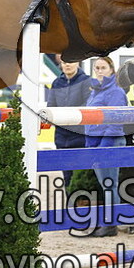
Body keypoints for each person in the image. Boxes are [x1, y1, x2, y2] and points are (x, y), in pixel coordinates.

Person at [82, 56, 127, 238]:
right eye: (97, 68)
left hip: (109, 143)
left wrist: (102, 146)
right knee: (106, 184)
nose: (99, 71)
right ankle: (110, 221)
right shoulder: (96, 90)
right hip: (97, 143)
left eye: (103, 68)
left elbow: (115, 122)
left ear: (111, 70)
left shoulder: (115, 92)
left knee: (109, 184)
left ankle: (111, 224)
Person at [46, 56, 91, 190]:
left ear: (78, 62)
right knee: (66, 177)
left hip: (80, 136)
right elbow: (51, 107)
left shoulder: (86, 81)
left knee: (80, 176)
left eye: (71, 61)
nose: (67, 65)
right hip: (61, 136)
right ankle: (69, 202)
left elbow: (87, 106)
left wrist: (67, 117)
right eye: (65, 62)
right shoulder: (56, 83)